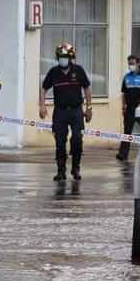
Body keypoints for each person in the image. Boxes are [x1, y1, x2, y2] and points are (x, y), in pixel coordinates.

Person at [38, 43, 90, 182]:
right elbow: (43, 88)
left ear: (71, 57)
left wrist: (89, 108)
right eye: (61, 57)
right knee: (60, 141)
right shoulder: (53, 72)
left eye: (66, 56)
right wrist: (42, 106)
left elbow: (86, 87)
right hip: (60, 111)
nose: (63, 59)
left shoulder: (78, 70)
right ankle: (61, 171)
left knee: (77, 139)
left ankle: (76, 168)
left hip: (76, 111)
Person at [113, 54, 140, 162]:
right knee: (127, 131)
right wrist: (123, 107)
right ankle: (123, 154)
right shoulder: (126, 77)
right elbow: (124, 94)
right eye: (129, 64)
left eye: (133, 64)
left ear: (138, 64)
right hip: (129, 107)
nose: (131, 66)